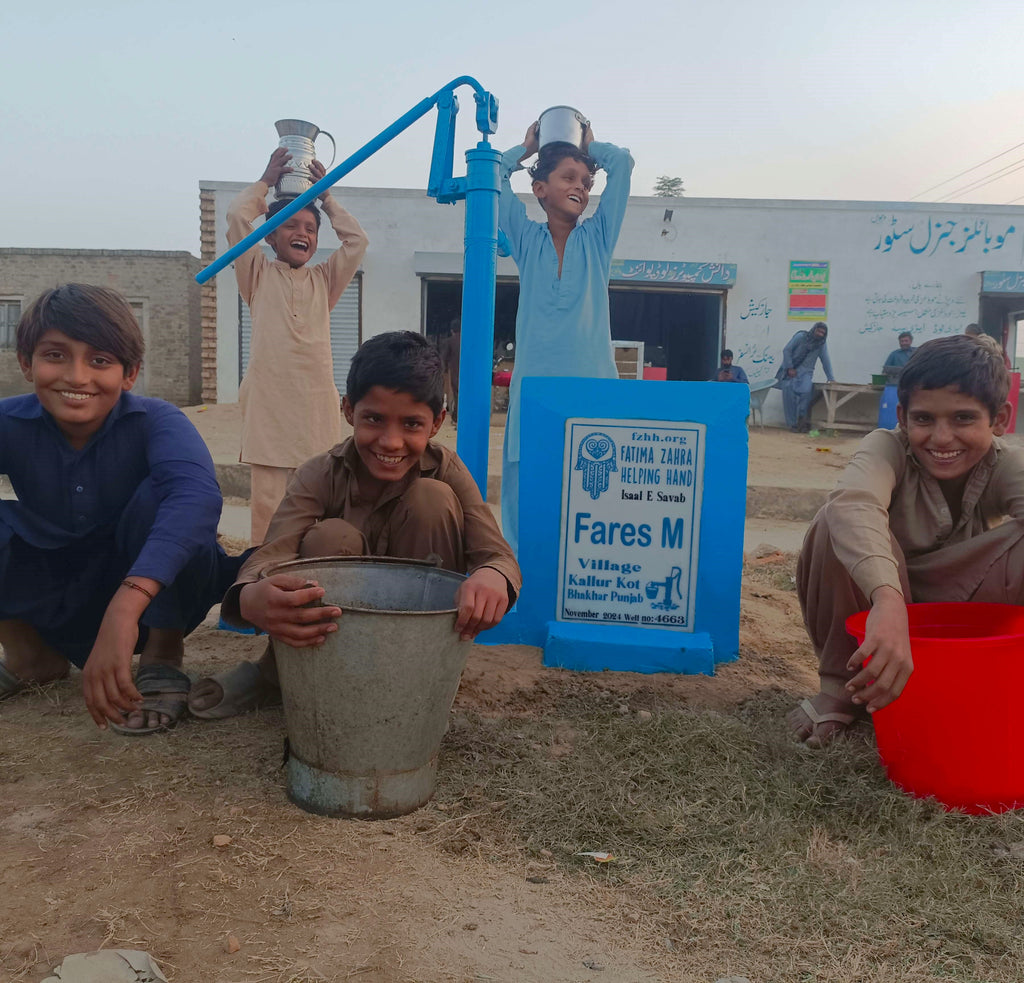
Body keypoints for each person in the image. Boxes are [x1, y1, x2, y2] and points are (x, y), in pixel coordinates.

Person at [187, 331, 522, 719]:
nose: (391, 441)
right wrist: (250, 595)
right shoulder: (319, 473)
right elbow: (271, 553)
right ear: (348, 411)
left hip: (416, 648)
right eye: (374, 419)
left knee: (433, 498)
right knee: (332, 536)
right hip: (334, 642)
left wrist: (492, 576)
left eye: (411, 424)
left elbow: (496, 554)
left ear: (436, 423)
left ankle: (419, 683)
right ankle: (279, 674)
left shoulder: (447, 469)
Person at [0, 285, 245, 734]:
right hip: (66, 589)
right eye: (56, 355)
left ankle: (163, 655)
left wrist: (126, 605)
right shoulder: (7, 422)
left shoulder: (157, 419)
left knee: (167, 499)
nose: (76, 376)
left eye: (99, 360)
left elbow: (197, 498)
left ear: (129, 374)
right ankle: (30, 657)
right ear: (26, 363)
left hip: (155, 590)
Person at [789, 333, 1024, 747]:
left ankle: (996, 681)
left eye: (964, 419)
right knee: (835, 520)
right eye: (924, 419)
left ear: (1000, 419)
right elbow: (855, 502)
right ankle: (841, 689)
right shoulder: (887, 448)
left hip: (958, 615)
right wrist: (887, 597)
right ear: (902, 416)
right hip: (879, 608)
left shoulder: (1005, 462)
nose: (942, 437)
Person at [498, 121, 634, 553]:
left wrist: (591, 146)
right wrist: (525, 148)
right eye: (569, 178)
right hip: (534, 389)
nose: (582, 188)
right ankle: (518, 582)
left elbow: (624, 164)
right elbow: (494, 175)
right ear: (539, 189)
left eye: (587, 182)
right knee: (526, 493)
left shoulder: (597, 238)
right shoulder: (526, 238)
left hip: (593, 387)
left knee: (596, 491)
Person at [229, 147, 369, 545]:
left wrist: (326, 196)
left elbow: (357, 241)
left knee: (318, 505)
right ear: (269, 236)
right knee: (269, 511)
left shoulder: (324, 281)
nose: (302, 234)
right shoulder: (256, 274)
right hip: (270, 412)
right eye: (291, 225)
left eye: (310, 227)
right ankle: (262, 581)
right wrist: (267, 181)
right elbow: (238, 217)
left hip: (314, 412)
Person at [775, 321, 835, 432]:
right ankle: (792, 425)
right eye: (818, 331)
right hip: (791, 372)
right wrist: (789, 367)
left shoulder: (821, 344)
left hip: (806, 374)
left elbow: (825, 361)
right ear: (814, 329)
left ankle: (802, 423)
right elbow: (787, 350)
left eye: (823, 332)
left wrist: (831, 378)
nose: (820, 334)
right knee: (789, 398)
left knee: (806, 394)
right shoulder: (800, 337)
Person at [440, 316, 461, 424]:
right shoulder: (469, 341)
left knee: (457, 395)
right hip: (471, 374)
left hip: (456, 373)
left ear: (452, 330)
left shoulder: (449, 342)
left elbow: (443, 358)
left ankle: (457, 418)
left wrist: (442, 371)